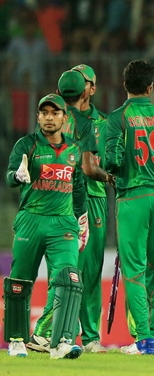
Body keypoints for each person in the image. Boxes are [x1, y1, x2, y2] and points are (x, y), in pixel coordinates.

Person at [105, 60, 154, 356]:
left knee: (134, 268)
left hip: (133, 196)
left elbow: (110, 160)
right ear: (150, 88)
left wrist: (117, 175)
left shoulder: (119, 117)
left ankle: (142, 340)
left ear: (124, 85)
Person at [27, 69, 109, 353]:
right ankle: (63, 334)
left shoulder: (98, 121)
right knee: (74, 270)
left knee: (81, 269)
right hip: (81, 198)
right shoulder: (84, 123)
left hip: (73, 198)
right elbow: (95, 165)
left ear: (92, 88)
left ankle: (82, 336)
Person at [3, 94, 88, 359]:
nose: (49, 117)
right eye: (44, 113)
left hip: (63, 223)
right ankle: (17, 339)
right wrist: (17, 175)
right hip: (31, 219)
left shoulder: (74, 149)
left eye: (54, 113)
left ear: (65, 117)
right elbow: (9, 178)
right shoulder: (26, 145)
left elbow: (78, 187)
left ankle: (61, 341)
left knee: (69, 279)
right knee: (20, 281)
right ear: (38, 117)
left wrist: (81, 218)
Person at [71, 63, 113, 353]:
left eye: (81, 80)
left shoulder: (104, 123)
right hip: (60, 198)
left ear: (92, 88)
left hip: (94, 197)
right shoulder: (56, 116)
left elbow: (110, 160)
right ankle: (60, 332)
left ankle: (90, 337)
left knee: (92, 269)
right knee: (64, 267)